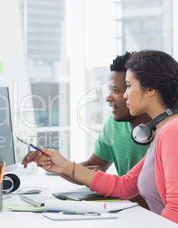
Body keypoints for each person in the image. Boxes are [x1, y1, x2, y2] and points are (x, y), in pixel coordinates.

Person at [36, 50, 178, 223]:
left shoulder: (172, 132)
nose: (126, 94)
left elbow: (175, 212)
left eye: (129, 86)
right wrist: (63, 165)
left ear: (150, 89)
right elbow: (123, 186)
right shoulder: (162, 130)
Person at [22, 52, 151, 208]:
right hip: (130, 213)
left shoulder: (167, 132)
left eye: (116, 91)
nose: (108, 98)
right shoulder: (114, 124)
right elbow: (91, 165)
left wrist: (103, 182)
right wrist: (55, 165)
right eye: (110, 90)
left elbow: (153, 197)